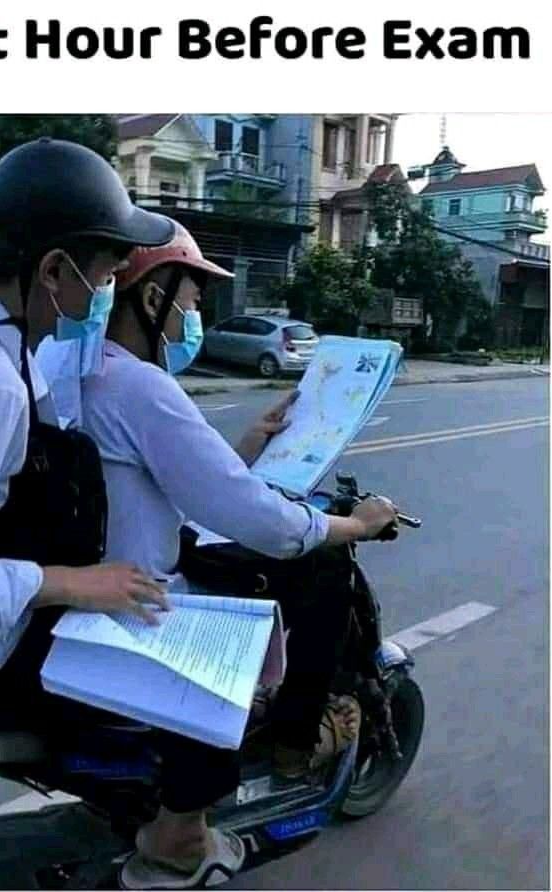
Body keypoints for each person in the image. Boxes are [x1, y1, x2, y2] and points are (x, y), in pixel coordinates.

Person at [0, 140, 247, 880]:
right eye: (104, 271)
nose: (106, 290)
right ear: (53, 272)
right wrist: (74, 583)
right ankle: (177, 839)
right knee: (203, 665)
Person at [36, 221, 398, 888]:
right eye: (193, 301)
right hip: (147, 592)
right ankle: (284, 751)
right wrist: (355, 523)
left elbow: (176, 486)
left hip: (106, 567)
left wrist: (248, 448)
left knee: (265, 556)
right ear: (154, 300)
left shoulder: (78, 375)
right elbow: (260, 518)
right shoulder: (142, 387)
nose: (195, 317)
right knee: (319, 564)